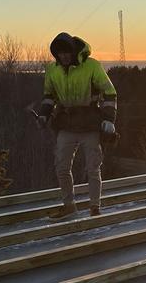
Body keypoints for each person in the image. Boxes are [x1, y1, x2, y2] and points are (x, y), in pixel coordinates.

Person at [37, 32, 117, 218]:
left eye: (67, 52)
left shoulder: (91, 66)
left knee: (93, 168)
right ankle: (69, 206)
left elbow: (109, 93)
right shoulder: (52, 70)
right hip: (66, 124)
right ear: (56, 54)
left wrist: (109, 119)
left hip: (90, 124)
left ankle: (95, 207)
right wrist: (43, 115)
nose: (64, 56)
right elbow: (49, 96)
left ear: (73, 52)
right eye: (60, 53)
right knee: (61, 167)